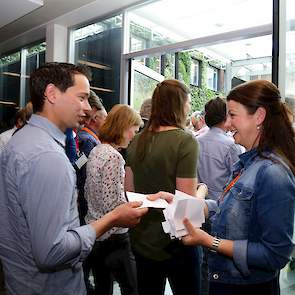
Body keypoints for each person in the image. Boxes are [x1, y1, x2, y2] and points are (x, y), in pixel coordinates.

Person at [0, 62, 147, 295]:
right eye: (82, 98)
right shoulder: (47, 156)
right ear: (51, 94)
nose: (88, 108)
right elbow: (51, 252)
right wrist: (112, 218)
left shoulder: (20, 140)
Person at [182, 80, 295, 295]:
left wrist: (211, 242)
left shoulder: (272, 174)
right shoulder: (248, 163)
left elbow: (276, 254)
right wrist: (192, 205)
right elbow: (233, 209)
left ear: (259, 117)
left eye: (232, 115)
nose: (228, 124)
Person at [125, 79, 201, 295]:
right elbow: (186, 205)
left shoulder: (136, 141)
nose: (189, 109)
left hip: (142, 240)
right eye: (187, 103)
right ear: (179, 105)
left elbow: (130, 193)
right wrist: (201, 192)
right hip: (176, 244)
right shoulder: (186, 141)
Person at [85, 104, 142, 295]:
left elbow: (89, 193)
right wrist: (143, 206)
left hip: (96, 232)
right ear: (123, 128)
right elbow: (114, 206)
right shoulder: (114, 157)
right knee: (132, 289)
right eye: (133, 131)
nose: (133, 136)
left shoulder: (97, 150)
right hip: (114, 237)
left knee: (102, 288)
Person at [197, 97, 241, 201]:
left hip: (199, 198)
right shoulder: (231, 145)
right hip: (221, 203)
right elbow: (238, 178)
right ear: (225, 117)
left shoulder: (196, 140)